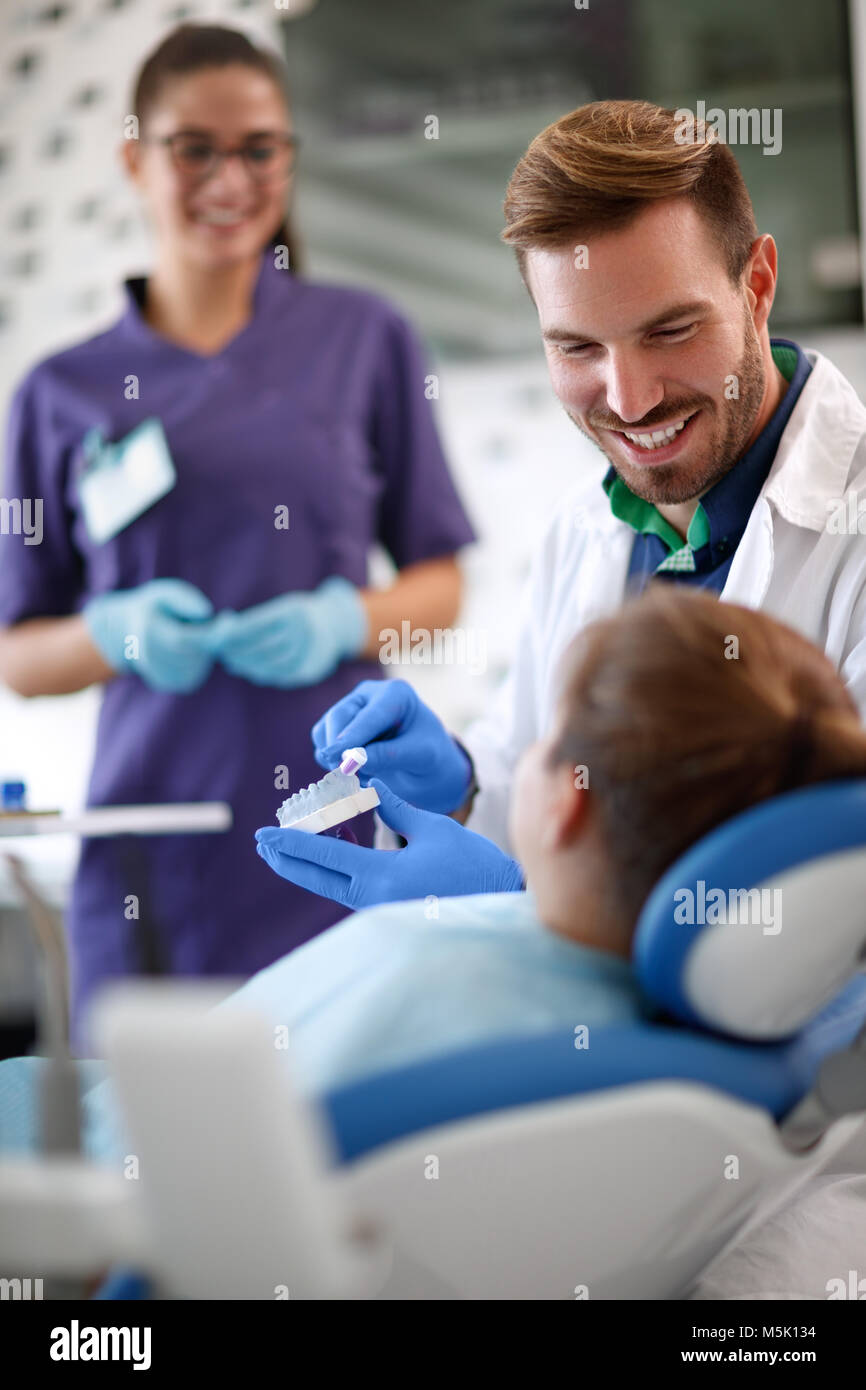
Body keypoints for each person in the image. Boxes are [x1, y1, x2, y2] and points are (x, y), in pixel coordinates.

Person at [256, 98, 866, 908]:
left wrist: (512, 909)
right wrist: (462, 785)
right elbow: (539, 798)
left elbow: (829, 918)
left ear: (756, 285)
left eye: (672, 330)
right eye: (578, 347)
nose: (631, 398)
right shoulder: (587, 528)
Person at [0, 24, 475, 1053]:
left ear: (288, 160)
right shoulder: (59, 393)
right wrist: (110, 633)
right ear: (134, 158)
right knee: (153, 1173)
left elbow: (440, 582)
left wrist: (344, 615)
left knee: (344, 1163)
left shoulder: (364, 340)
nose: (230, 176)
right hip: (146, 860)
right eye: (193, 148)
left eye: (258, 147)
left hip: (329, 828)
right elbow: (19, 657)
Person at [54, 584, 866, 1166]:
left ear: (565, 809)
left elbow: (144, 1169)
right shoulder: (719, 1057)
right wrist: (470, 810)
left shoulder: (415, 971)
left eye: (550, 741)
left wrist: (486, 917)